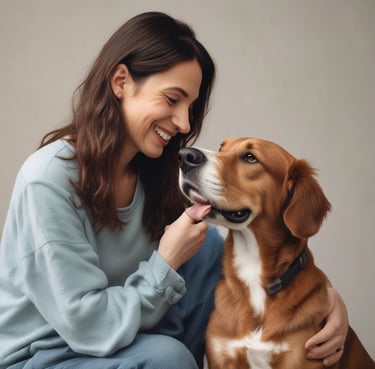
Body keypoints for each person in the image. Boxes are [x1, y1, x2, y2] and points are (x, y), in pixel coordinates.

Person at [0, 11, 348, 369]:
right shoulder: (48, 179)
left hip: (129, 343)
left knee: (208, 248)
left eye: (190, 106)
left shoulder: (157, 174)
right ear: (121, 82)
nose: (184, 123)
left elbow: (248, 267)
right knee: (169, 355)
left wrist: (323, 300)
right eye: (171, 99)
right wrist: (164, 262)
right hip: (45, 356)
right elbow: (87, 326)